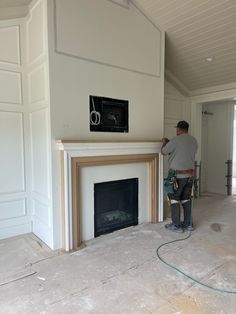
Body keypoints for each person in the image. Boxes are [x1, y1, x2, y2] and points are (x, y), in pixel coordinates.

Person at [161, 120, 198, 233]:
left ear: (178, 129)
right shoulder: (193, 140)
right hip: (190, 176)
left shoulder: (175, 140)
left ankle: (176, 226)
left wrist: (165, 142)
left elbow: (163, 151)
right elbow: (182, 153)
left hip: (177, 176)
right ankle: (188, 224)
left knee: (174, 199)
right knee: (186, 199)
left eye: (176, 129)